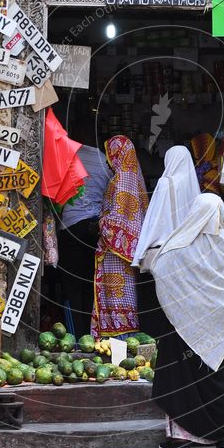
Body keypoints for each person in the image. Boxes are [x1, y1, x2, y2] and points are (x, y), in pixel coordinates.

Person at [150, 193, 224, 448]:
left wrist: (182, 300)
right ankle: (222, 438)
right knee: (219, 380)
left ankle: (183, 439)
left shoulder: (179, 246)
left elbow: (159, 267)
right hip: (219, 326)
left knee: (181, 380)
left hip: (182, 325)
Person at [92, 135, 149, 338]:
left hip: (115, 252)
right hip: (129, 253)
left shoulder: (120, 181)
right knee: (127, 296)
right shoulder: (134, 178)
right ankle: (127, 337)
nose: (108, 160)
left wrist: (101, 223)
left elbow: (117, 220)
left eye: (111, 154)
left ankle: (117, 339)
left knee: (115, 296)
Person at [57, 144, 112, 337]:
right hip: (94, 227)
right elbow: (108, 195)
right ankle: (90, 334)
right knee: (90, 284)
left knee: (71, 285)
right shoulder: (104, 160)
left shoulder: (68, 155)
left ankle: (75, 336)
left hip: (72, 227)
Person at [132, 145, 200, 270]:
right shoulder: (194, 186)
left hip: (167, 250)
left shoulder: (165, 183)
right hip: (191, 250)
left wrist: (141, 249)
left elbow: (155, 218)